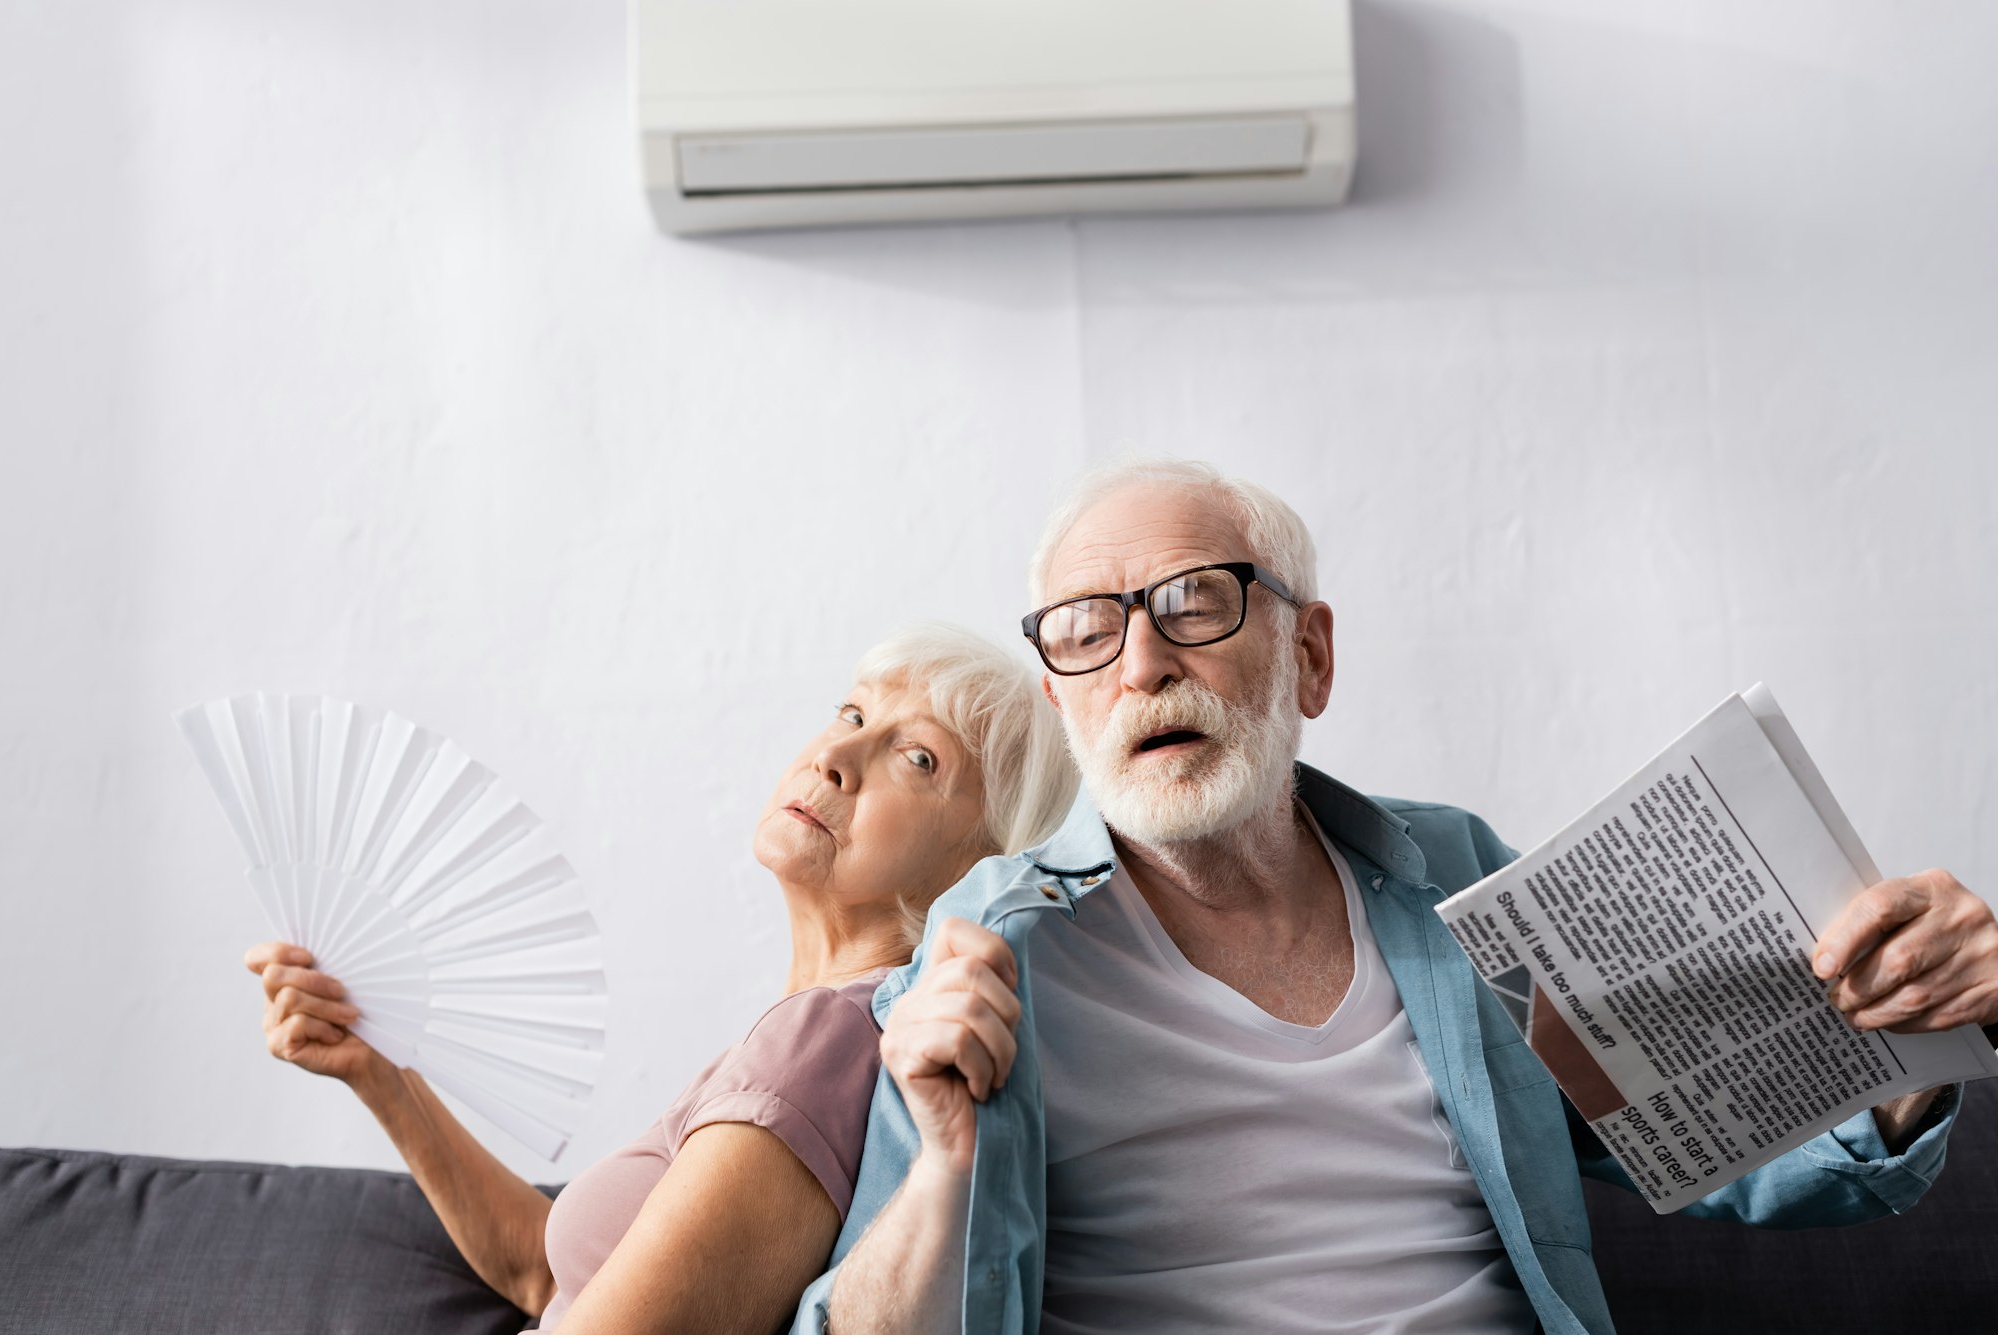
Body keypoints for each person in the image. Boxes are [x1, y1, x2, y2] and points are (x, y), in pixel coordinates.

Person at [797, 460, 1998, 1335]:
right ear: (1062, 701)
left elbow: (1733, 1143)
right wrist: (943, 1160)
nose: (1141, 662)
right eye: (1084, 632)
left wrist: (1914, 1028)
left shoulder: (1456, 875)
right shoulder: (983, 953)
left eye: (1194, 604)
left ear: (1309, 656)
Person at [243, 625, 1077, 1334]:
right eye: (853, 713)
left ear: (981, 862)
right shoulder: (808, 1033)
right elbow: (547, 1278)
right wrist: (380, 1074)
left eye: (919, 757)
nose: (836, 754)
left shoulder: (824, 1040)